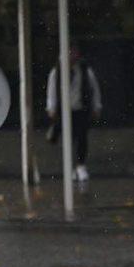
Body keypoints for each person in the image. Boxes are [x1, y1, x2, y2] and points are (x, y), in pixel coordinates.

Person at [46, 46, 103, 182]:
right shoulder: (57, 71)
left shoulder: (84, 70)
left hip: (79, 109)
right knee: (67, 140)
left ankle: (80, 165)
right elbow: (52, 90)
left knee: (81, 138)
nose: (72, 55)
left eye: (74, 51)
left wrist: (96, 106)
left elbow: (94, 88)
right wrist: (51, 108)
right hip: (64, 110)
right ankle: (70, 167)